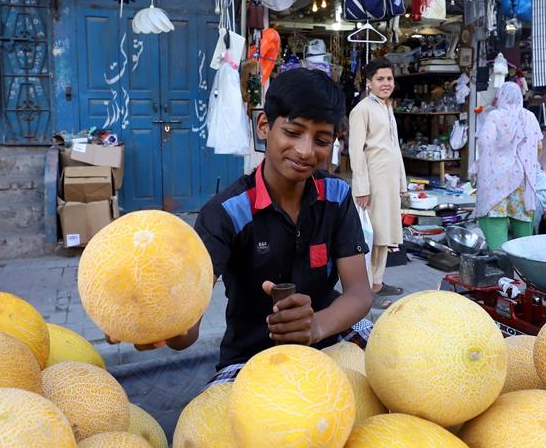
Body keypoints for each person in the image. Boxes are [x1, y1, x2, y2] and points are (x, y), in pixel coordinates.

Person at [109, 69, 374, 387]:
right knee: (224, 429)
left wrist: (316, 326)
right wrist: (163, 326)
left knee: (388, 369)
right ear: (264, 126)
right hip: (248, 358)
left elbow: (359, 293)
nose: (305, 150)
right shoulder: (224, 213)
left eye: (321, 140)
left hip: (328, 337)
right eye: (292, 132)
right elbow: (188, 333)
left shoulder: (338, 194)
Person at [347, 57, 408, 301]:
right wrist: (361, 187)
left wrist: (402, 184)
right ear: (369, 83)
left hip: (389, 181)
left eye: (389, 79)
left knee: (384, 235)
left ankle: (377, 283)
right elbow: (356, 151)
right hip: (372, 182)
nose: (386, 83)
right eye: (380, 79)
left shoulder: (386, 107)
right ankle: (365, 288)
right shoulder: (361, 110)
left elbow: (394, 148)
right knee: (370, 236)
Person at [474, 81, 543, 250]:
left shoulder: (494, 116)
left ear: (501, 97)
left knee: (495, 218)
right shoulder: (529, 117)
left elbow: (483, 143)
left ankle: (501, 263)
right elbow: (539, 146)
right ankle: (523, 266)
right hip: (521, 180)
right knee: (521, 224)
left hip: (496, 180)